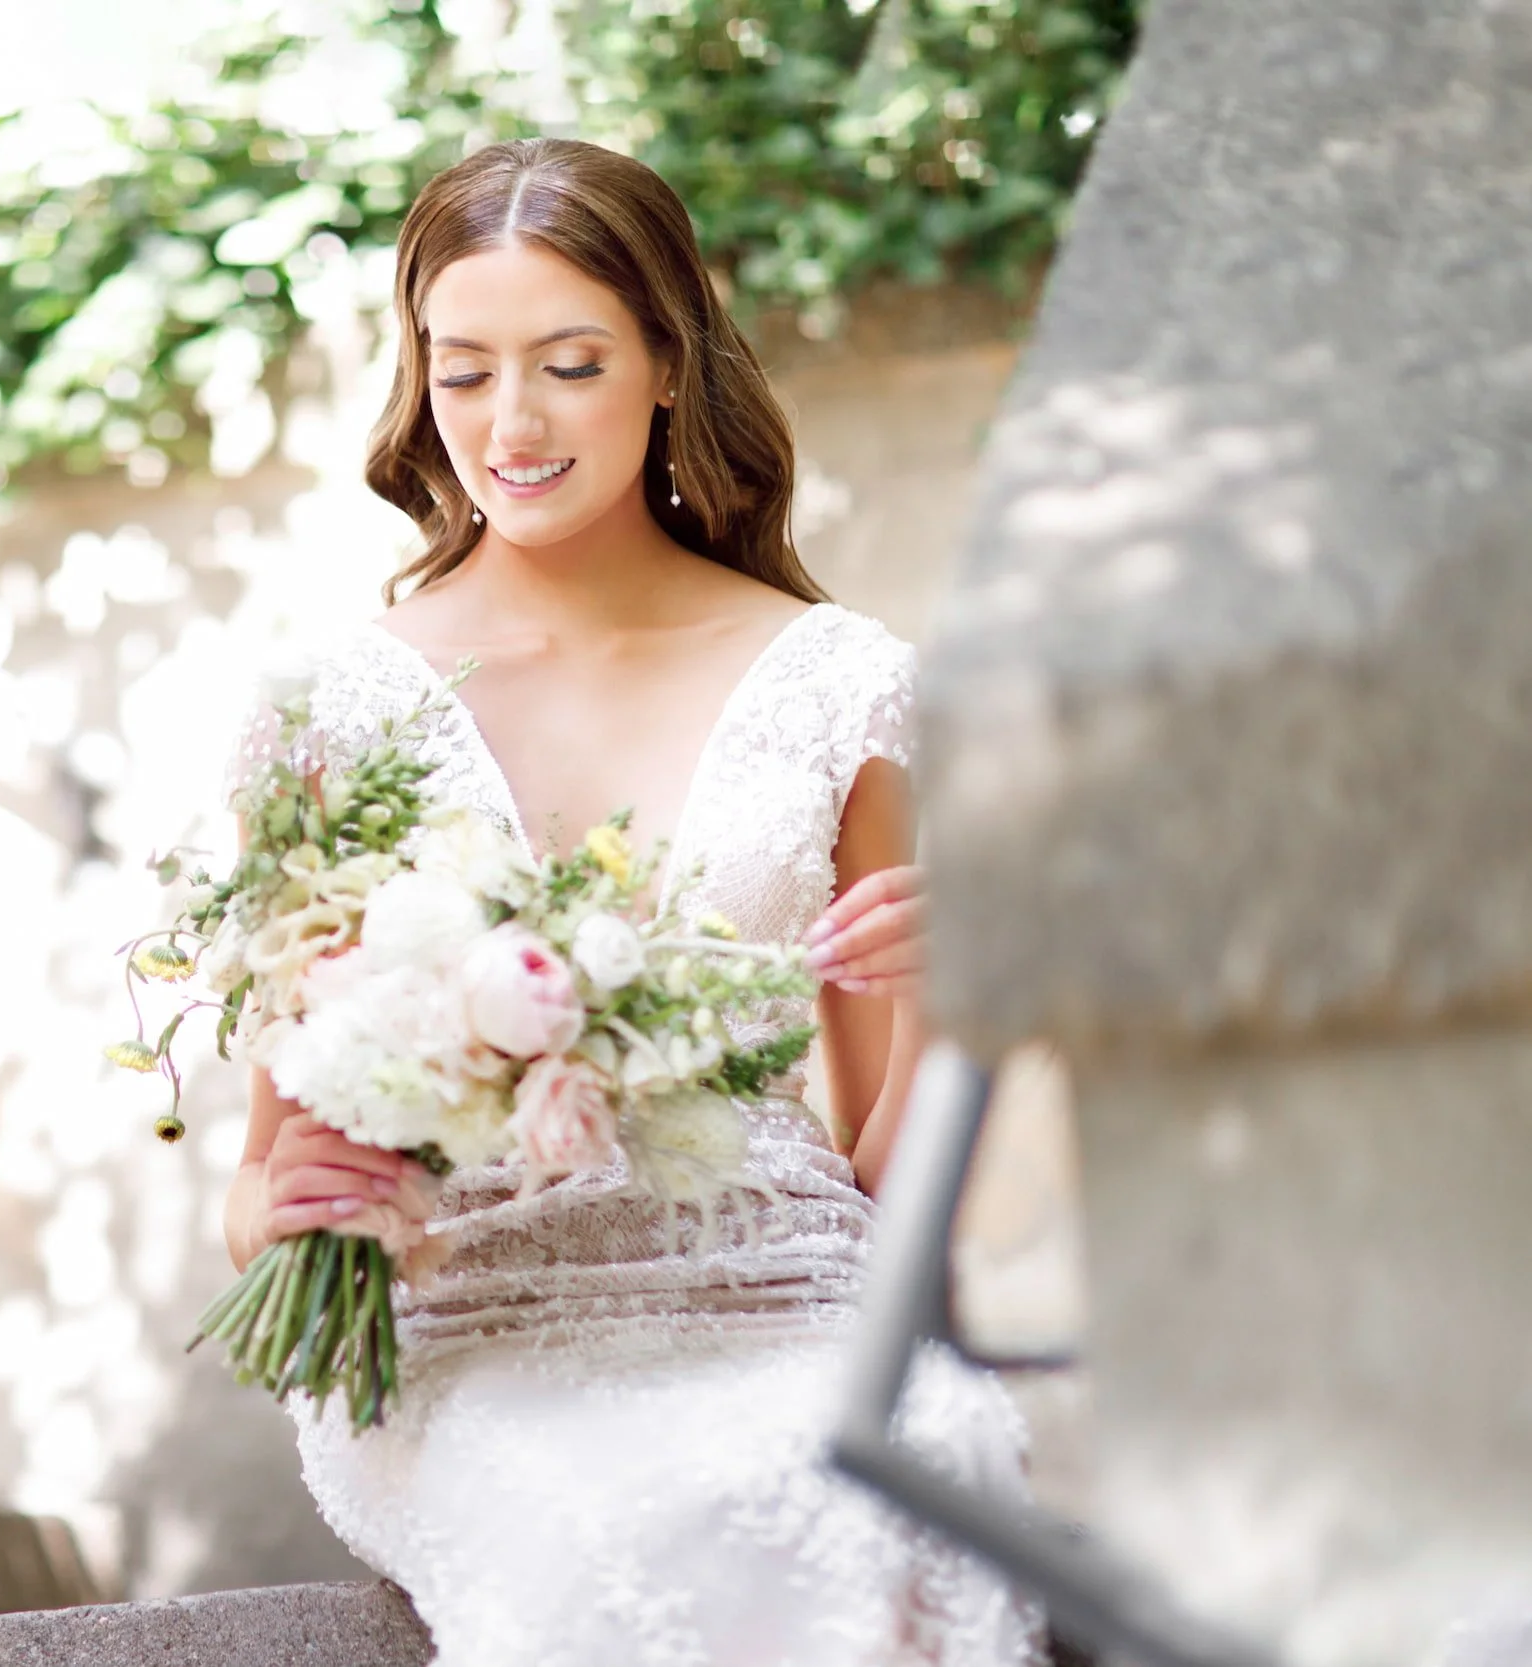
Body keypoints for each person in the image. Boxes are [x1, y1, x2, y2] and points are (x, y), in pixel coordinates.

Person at [219, 139, 1047, 1665]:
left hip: (797, 1301)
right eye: (460, 371)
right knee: (647, 1520)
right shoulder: (338, 713)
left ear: (666, 364)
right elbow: (264, 1182)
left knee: (920, 1473)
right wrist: (300, 1208)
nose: (509, 424)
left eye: (570, 363)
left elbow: (885, 1183)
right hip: (482, 1336)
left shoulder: (843, 682)